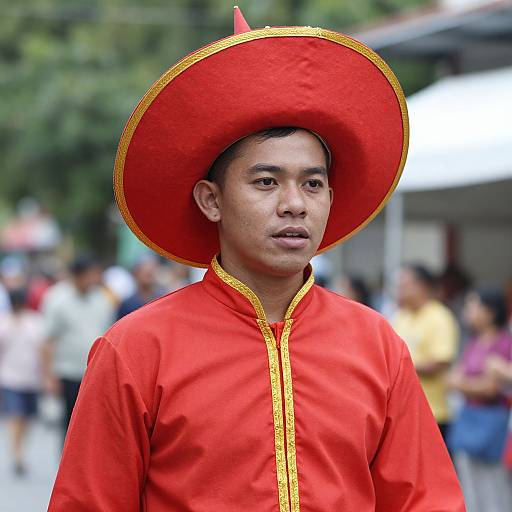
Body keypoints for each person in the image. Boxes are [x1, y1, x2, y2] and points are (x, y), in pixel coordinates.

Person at [48, 8, 464, 511]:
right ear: (212, 200)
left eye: (312, 183)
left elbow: (427, 500)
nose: (294, 203)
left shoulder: (378, 345)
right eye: (266, 182)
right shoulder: (134, 349)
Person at [448, 288, 512, 511]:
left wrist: (464, 384)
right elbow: (453, 380)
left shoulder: (504, 342)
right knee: (469, 487)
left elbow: (491, 389)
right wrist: (474, 385)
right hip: (469, 418)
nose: (468, 311)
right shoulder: (474, 342)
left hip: (494, 422)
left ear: (490, 311)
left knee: (494, 486)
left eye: (474, 305)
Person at [40, 254, 114, 438]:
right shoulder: (57, 299)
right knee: (69, 425)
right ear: (78, 275)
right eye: (91, 274)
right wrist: (49, 376)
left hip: (95, 373)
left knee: (93, 425)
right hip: (68, 373)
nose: (94, 279)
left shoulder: (102, 299)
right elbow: (48, 340)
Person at [392, 264, 460, 444]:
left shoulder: (440, 316)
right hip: (401, 411)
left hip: (433, 412)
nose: (399, 289)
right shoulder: (401, 316)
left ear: (421, 286)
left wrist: (396, 367)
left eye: (404, 284)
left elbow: (441, 362)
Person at [0, 288, 46, 476]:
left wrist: (45, 375)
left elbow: (43, 350)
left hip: (31, 378)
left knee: (26, 418)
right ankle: (17, 454)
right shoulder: (3, 323)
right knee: (15, 415)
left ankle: (20, 449)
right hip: (10, 377)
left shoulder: (35, 322)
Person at [117, 254, 163, 319]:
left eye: (151, 273)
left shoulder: (162, 300)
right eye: (146, 273)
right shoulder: (128, 304)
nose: (149, 274)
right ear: (136, 273)